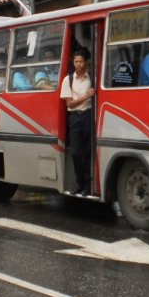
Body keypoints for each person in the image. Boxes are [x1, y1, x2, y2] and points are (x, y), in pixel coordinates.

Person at [60, 49, 95, 195]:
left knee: (87, 153)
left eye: (80, 61)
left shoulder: (92, 78)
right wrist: (86, 96)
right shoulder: (68, 79)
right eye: (76, 62)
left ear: (86, 62)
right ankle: (79, 182)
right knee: (75, 153)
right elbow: (69, 104)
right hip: (74, 118)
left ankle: (87, 185)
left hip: (88, 116)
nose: (78, 64)